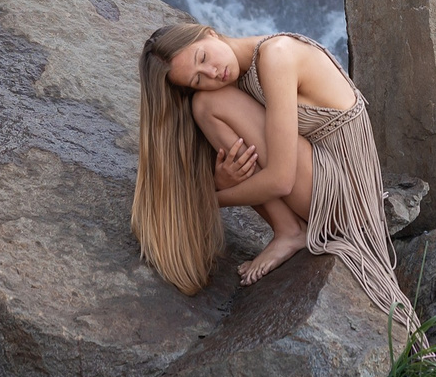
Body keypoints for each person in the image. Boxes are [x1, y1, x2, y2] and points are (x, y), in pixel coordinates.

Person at [132, 19, 419, 339]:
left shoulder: (275, 56)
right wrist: (224, 179)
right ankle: (289, 229)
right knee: (205, 103)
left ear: (208, 32)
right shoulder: (241, 70)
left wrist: (208, 198)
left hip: (342, 198)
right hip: (323, 182)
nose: (212, 73)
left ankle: (289, 231)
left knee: (208, 105)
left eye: (202, 58)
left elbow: (281, 180)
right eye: (197, 79)